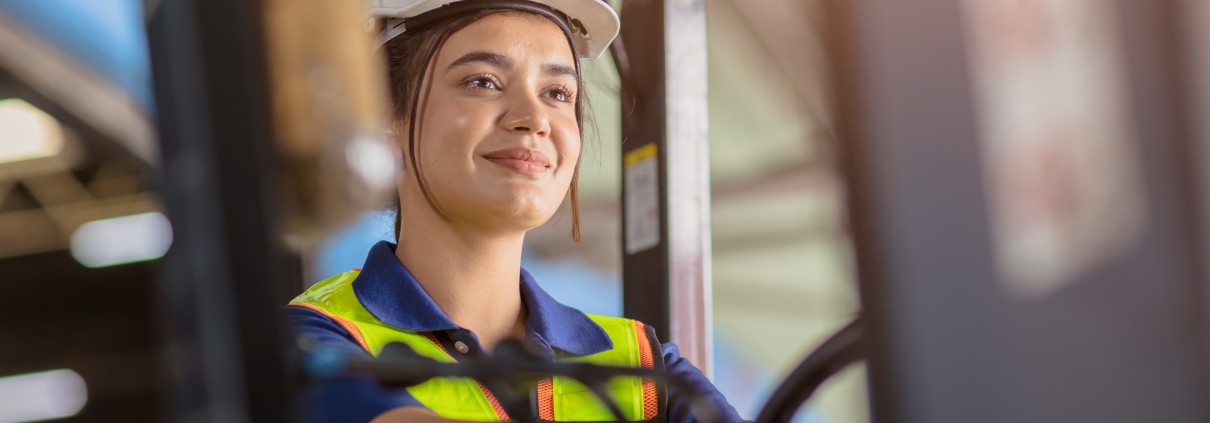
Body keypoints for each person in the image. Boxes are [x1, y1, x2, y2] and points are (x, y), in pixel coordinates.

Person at [284, 0, 744, 421]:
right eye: (482, 82)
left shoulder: (647, 367)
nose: (534, 117)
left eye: (558, 93)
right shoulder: (313, 340)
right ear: (387, 122)